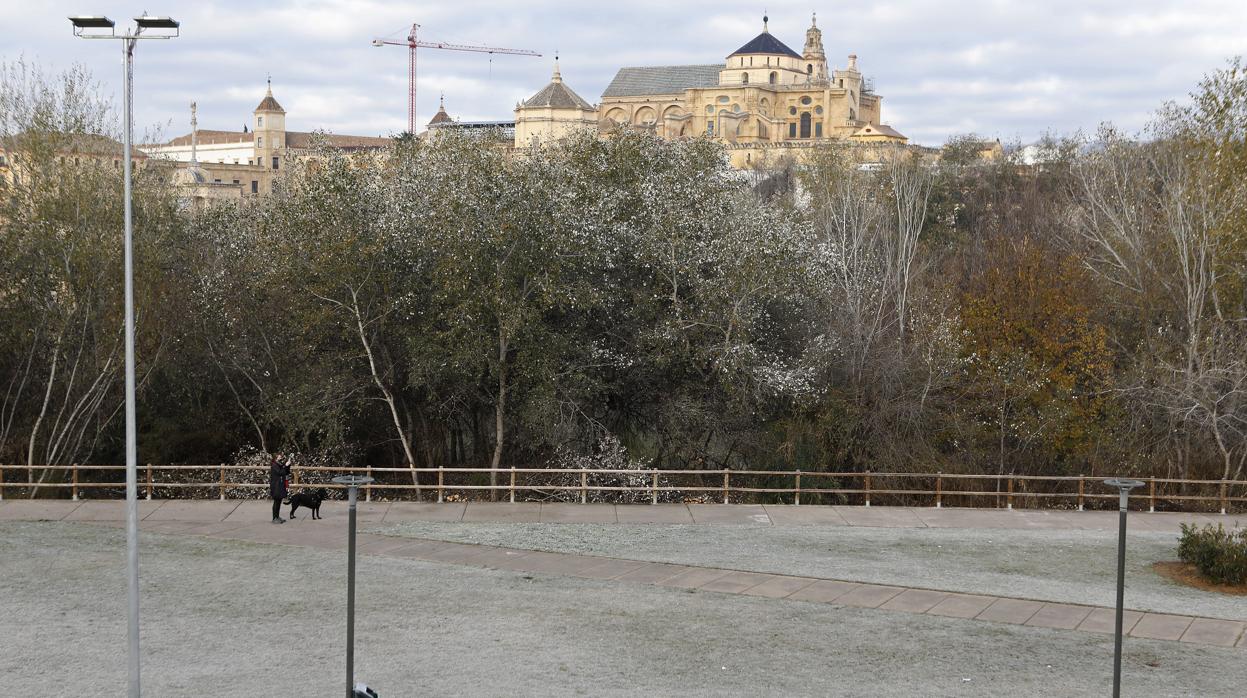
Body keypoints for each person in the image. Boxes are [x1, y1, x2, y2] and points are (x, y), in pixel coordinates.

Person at [269, 453, 291, 523]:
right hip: (276, 486)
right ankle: (274, 518)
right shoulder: (274, 465)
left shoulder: (279, 464)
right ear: (276, 457)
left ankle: (277, 517)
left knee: (279, 501)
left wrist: (288, 465)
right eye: (279, 456)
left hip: (280, 485)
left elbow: (286, 472)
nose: (281, 457)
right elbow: (280, 472)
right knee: (276, 502)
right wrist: (285, 465)